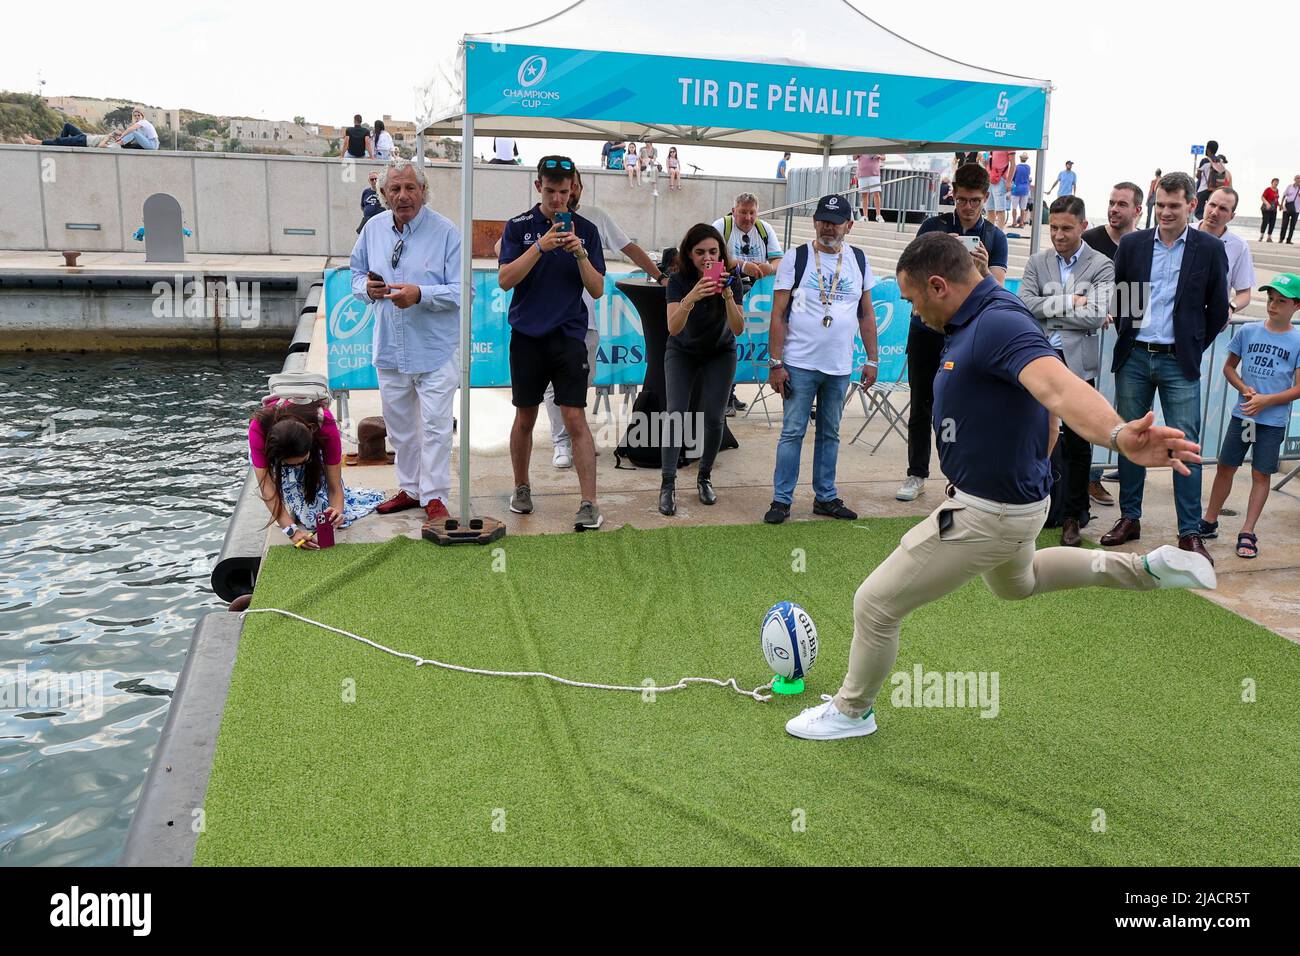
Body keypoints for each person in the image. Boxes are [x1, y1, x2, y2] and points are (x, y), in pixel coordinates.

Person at [784, 232, 1216, 742]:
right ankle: (1147, 571)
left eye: (912, 299)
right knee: (1022, 581)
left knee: (875, 604)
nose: (913, 311)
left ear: (939, 285)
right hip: (1019, 504)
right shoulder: (985, 309)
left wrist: (1119, 435)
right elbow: (1042, 402)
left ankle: (851, 712)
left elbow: (1058, 386)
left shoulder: (997, 322)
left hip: (985, 512)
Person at [1099, 172, 1230, 563]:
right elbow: (1124, 301)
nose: (1167, 212)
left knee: (1184, 446)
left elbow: (1218, 310)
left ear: (1192, 205)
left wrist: (1189, 347)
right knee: (1131, 438)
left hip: (1179, 361)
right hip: (1135, 357)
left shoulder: (1208, 248)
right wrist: (1132, 335)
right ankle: (1129, 518)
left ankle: (1190, 532)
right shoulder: (1135, 244)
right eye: (1161, 205)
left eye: (1175, 205)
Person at [498, 156, 607, 530]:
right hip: (527, 337)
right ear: (538, 187)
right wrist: (541, 246)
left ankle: (590, 503)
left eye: (564, 191)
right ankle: (521, 487)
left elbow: (597, 288)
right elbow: (505, 280)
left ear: (572, 189)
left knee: (575, 416)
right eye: (550, 191)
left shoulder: (588, 230)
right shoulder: (518, 227)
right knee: (525, 415)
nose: (558, 199)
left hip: (569, 337)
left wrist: (579, 253)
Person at [350, 159, 463, 522]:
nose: (403, 195)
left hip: (435, 348)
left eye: (410, 187)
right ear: (383, 194)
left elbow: (464, 291)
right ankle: (411, 489)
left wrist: (421, 295)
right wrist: (367, 289)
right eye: (395, 189)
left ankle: (434, 495)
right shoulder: (373, 230)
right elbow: (355, 273)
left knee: (435, 426)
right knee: (400, 427)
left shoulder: (446, 232)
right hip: (390, 346)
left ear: (424, 191)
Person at [896, 162, 1008, 503]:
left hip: (965, 334)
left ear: (986, 198)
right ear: (953, 196)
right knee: (921, 403)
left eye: (974, 200)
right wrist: (941, 248)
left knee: (962, 407)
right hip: (925, 329)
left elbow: (997, 289)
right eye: (961, 199)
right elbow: (911, 276)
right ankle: (916, 473)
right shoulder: (934, 226)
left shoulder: (994, 237)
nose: (968, 207)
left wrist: (983, 268)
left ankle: (960, 478)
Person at [764, 194, 879, 524]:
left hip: (840, 366)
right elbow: (778, 314)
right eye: (823, 219)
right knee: (793, 432)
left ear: (849, 225)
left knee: (830, 432)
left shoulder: (858, 259)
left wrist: (872, 359)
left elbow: (866, 313)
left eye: (836, 220)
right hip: (799, 363)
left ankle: (825, 496)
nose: (828, 226)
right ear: (814, 221)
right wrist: (776, 363)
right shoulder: (796, 257)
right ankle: (781, 500)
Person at [545, 167, 667, 469]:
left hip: (585, 320)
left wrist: (661, 276)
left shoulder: (594, 218)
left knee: (579, 385)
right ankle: (562, 442)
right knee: (551, 386)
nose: (565, 194)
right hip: (545, 320)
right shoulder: (537, 219)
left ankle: (577, 436)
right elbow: (504, 250)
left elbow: (628, 248)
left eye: (571, 187)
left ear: (578, 188)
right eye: (558, 189)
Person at [1017, 196, 1115, 546]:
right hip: (1038, 358)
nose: (1058, 235)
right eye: (1053, 227)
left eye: (1066, 228)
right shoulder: (1037, 262)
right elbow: (1026, 306)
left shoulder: (1101, 265)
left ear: (1083, 226)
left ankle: (1073, 515)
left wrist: (1049, 309)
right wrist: (1070, 302)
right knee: (1030, 435)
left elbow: (1095, 314)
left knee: (1077, 443)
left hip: (1076, 365)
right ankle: (1026, 504)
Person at [1200, 273, 1300, 559]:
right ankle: (1209, 519)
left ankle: (1248, 529)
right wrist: (1244, 389)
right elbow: (1229, 368)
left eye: (1281, 301)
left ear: (1296, 306)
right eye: (1270, 299)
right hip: (1244, 415)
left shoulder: (1297, 340)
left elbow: (1298, 388)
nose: (1273, 306)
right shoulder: (1249, 332)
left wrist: (1268, 401)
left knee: (1260, 473)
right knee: (1226, 466)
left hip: (1271, 421)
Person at [659, 224, 745, 515]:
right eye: (699, 252)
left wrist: (728, 295)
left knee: (713, 416)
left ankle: (704, 477)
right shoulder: (678, 280)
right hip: (682, 351)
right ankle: (668, 484)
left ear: (721, 252)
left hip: (720, 352)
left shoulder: (731, 278)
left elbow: (738, 328)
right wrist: (692, 296)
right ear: (689, 253)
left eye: (712, 251)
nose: (707, 258)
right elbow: (672, 327)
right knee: (675, 414)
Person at [1079, 181, 1145, 508]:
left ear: (1137, 210)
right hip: (1089, 339)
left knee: (1121, 411)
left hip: (1124, 339)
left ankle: (1112, 470)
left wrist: (1120, 312)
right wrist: (1095, 307)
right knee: (1092, 409)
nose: (1114, 208)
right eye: (1111, 202)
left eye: (1122, 204)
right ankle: (1089, 478)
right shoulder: (1090, 240)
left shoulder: (1141, 243)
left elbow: (1139, 292)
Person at [249, 398, 384, 549]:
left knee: (314, 517)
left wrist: (337, 511)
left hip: (314, 445)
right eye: (290, 464)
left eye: (301, 462)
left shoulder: (325, 424)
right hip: (273, 448)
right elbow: (266, 487)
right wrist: (291, 531)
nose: (296, 467)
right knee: (297, 506)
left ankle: (302, 481)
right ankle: (291, 492)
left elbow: (334, 483)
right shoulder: (258, 428)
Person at [713, 193, 785, 415]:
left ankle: (729, 393)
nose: (747, 217)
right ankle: (722, 396)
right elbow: (712, 260)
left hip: (756, 296)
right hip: (724, 294)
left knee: (741, 345)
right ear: (733, 211)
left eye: (752, 212)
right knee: (726, 342)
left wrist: (768, 268)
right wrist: (743, 265)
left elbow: (779, 260)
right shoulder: (720, 227)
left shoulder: (764, 230)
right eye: (743, 212)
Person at [1198, 187, 1257, 318]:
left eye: (1223, 209)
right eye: (1212, 205)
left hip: (1208, 320)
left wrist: (1230, 308)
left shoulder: (1239, 247)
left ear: (1232, 216)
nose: (1214, 212)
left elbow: (1245, 293)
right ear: (1205, 204)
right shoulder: (1183, 232)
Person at [22, 122, 119, 148]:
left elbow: (101, 145)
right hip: (85, 137)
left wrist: (109, 136)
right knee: (67, 126)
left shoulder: (115, 146)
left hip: (84, 142)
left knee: (59, 141)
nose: (119, 136)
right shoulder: (115, 141)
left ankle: (36, 142)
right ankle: (59, 145)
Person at [854, 153, 886, 221]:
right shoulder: (860, 146)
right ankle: (865, 216)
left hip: (874, 174)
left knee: (876, 194)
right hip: (862, 174)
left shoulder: (877, 145)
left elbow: (884, 157)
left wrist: (878, 156)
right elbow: (854, 158)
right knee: (864, 195)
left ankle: (878, 215)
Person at [986, 149, 1011, 228]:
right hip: (989, 178)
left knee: (1000, 208)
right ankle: (990, 232)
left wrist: (1009, 181)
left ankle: (1000, 233)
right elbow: (986, 164)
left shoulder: (1007, 145)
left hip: (1000, 179)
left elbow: (1013, 164)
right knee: (989, 208)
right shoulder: (990, 146)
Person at [1008, 153, 1032, 229]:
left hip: (1016, 189)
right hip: (1025, 189)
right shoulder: (1028, 167)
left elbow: (1013, 177)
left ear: (1020, 158)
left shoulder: (1017, 167)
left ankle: (1014, 222)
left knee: (1014, 207)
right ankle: (1021, 223)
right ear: (1026, 159)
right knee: (1023, 208)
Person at [1280, 175, 1300, 245]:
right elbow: (1284, 195)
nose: (1299, 179)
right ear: (1294, 179)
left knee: (1292, 226)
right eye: (1297, 178)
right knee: (1284, 224)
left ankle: (1289, 240)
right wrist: (1281, 204)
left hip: (1296, 210)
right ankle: (1281, 239)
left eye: (1299, 178)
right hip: (1287, 208)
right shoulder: (1289, 186)